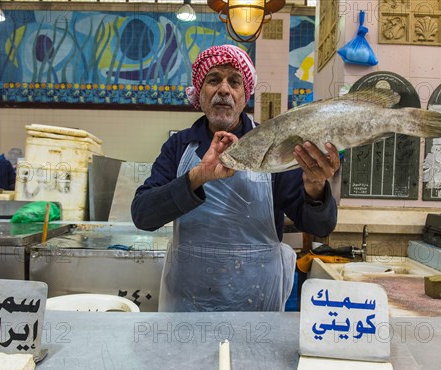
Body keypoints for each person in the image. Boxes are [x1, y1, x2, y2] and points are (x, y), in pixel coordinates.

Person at [132, 45, 340, 312]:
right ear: (200, 92)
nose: (223, 90)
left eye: (234, 82)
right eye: (214, 79)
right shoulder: (179, 146)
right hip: (188, 303)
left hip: (256, 301)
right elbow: (143, 216)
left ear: (245, 95)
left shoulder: (274, 146)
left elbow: (319, 226)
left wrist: (315, 186)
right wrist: (196, 177)